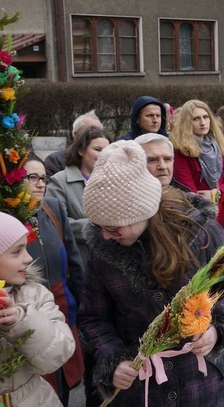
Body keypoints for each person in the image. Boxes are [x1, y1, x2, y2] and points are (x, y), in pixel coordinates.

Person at [78, 141, 224, 406]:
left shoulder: (199, 231)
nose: (104, 235)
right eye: (100, 226)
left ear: (144, 211)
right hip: (144, 391)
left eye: (114, 228)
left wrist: (217, 328)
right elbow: (93, 318)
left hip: (209, 387)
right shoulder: (104, 249)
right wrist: (113, 358)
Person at [22, 157, 84, 406]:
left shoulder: (52, 207)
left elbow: (74, 261)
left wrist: (81, 309)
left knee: (64, 382)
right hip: (29, 318)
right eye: (32, 178)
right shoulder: (8, 218)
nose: (41, 184)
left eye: (44, 178)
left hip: (63, 311)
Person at [0, 213, 76, 407]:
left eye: (26, 248)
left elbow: (59, 353)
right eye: (17, 251)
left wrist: (22, 321)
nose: (29, 258)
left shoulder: (34, 295)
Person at [170, 100, 224, 235]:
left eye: (205, 117)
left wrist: (216, 193)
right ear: (187, 123)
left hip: (223, 212)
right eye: (196, 118)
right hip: (199, 216)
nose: (203, 122)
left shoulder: (217, 146)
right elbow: (189, 191)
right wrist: (208, 198)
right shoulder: (181, 152)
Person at [45, 126, 112, 261]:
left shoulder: (115, 181)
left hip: (112, 261)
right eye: (98, 150)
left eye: (108, 151)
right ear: (81, 150)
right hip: (79, 261)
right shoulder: (60, 181)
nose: (104, 155)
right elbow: (54, 223)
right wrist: (100, 227)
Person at [45, 110, 104, 176]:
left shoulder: (108, 160)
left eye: (98, 132)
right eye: (89, 131)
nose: (95, 135)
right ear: (76, 135)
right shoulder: (56, 160)